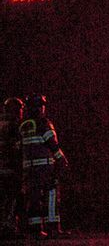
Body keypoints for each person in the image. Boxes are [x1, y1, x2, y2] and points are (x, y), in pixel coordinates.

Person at [20, 94, 68, 238]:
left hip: (28, 168)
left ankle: (36, 230)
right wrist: (62, 159)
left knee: (34, 197)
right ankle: (53, 228)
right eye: (41, 105)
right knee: (52, 194)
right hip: (45, 167)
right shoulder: (43, 123)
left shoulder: (24, 125)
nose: (42, 108)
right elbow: (52, 143)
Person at [1, 97, 24, 237]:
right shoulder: (15, 125)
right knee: (12, 198)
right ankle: (8, 227)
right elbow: (18, 147)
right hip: (10, 168)